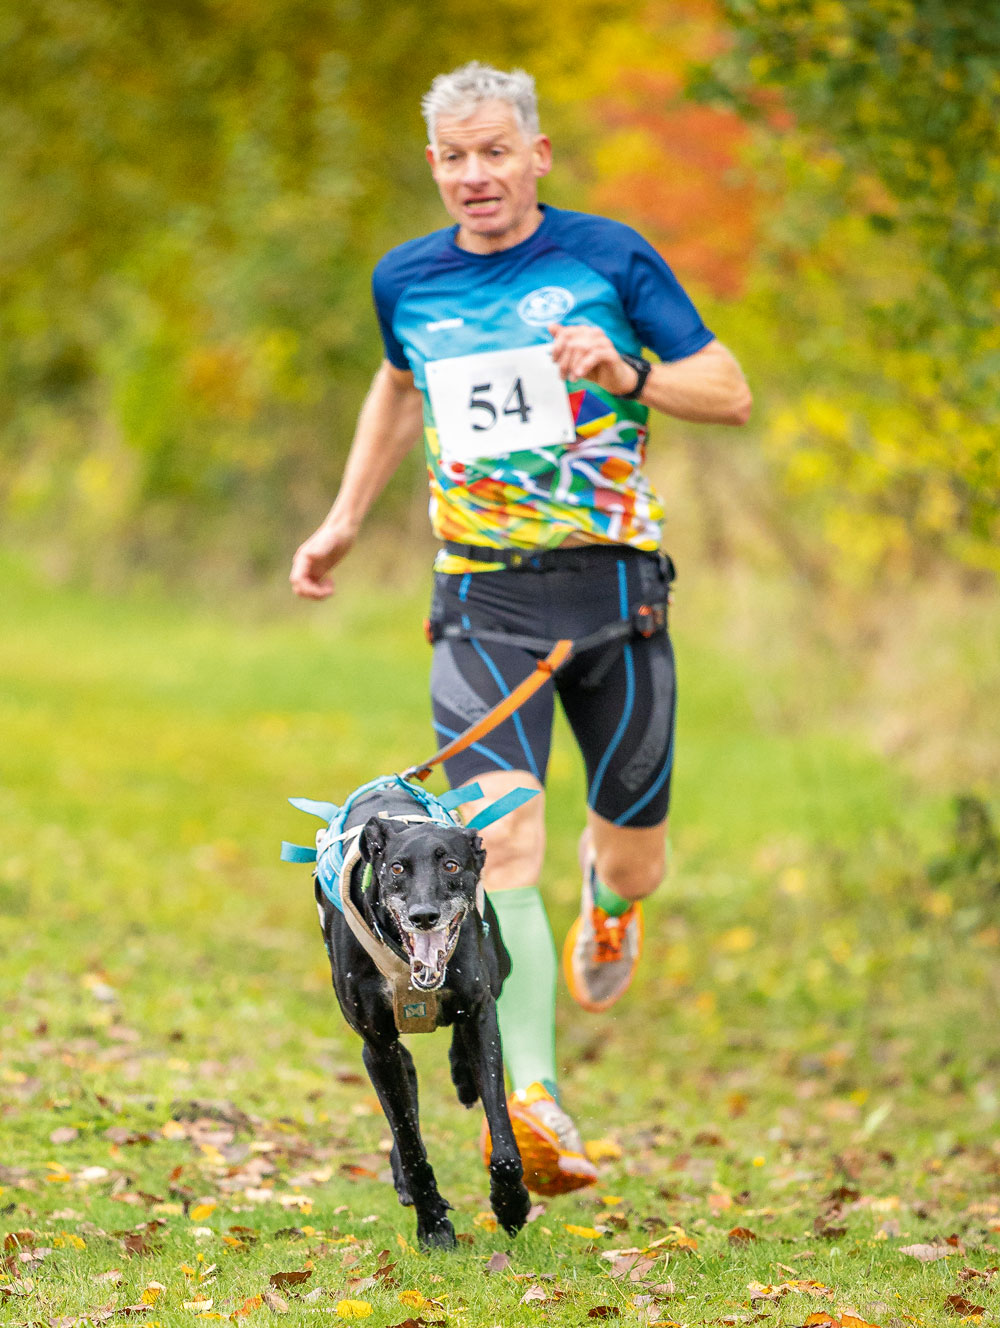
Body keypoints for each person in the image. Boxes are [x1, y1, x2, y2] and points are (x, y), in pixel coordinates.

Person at [290, 61, 752, 1196]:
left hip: (616, 597)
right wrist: (344, 519)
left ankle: (614, 900)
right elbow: (397, 386)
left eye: (495, 151)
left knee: (631, 853)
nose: (474, 175)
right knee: (503, 845)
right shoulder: (407, 279)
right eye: (453, 157)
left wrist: (626, 370)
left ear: (536, 155)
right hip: (481, 599)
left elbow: (727, 390)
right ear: (433, 165)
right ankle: (537, 1097)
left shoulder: (607, 259)